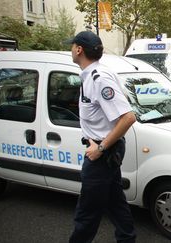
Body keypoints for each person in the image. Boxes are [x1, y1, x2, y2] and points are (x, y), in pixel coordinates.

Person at [67, 31, 137, 243]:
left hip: (103, 154)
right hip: (104, 149)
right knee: (115, 202)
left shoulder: (99, 78)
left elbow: (128, 117)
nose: (70, 49)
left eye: (72, 46)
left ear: (79, 50)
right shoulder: (93, 74)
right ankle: (127, 238)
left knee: (87, 212)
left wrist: (100, 148)